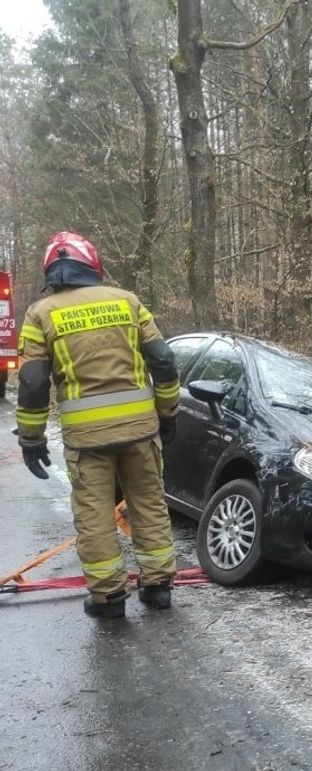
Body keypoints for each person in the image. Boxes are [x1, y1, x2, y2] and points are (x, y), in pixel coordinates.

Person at [15, 232, 181, 619]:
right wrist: (168, 413)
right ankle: (158, 588)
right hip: (141, 431)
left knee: (94, 516)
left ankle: (108, 598)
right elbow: (164, 362)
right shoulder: (128, 302)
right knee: (149, 505)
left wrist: (32, 439)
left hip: (87, 440)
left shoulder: (41, 313)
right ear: (93, 266)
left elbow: (33, 382)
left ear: (51, 273)